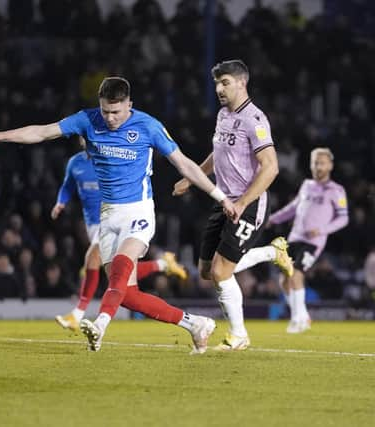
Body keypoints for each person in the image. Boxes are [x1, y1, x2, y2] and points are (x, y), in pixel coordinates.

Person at [0, 76, 239, 354]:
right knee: (128, 295)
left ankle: (100, 323)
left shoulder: (148, 126)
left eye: (117, 112)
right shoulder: (87, 120)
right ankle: (196, 324)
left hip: (138, 211)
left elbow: (184, 163)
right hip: (108, 216)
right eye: (106, 111)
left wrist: (220, 196)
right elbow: (43, 132)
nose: (111, 118)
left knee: (122, 266)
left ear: (130, 104)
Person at [173, 59, 292, 351]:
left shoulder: (255, 120)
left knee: (221, 272)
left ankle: (239, 335)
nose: (219, 89)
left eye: (225, 82)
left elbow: (271, 167)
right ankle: (271, 252)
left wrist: (242, 202)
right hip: (223, 202)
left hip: (247, 204)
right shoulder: (223, 115)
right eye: (217, 83)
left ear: (242, 83)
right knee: (205, 272)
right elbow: (218, 153)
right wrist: (194, 177)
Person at [52, 136, 188, 331]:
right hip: (93, 224)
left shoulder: (109, 159)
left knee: (92, 258)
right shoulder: (75, 163)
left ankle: (78, 313)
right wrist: (60, 202)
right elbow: (67, 186)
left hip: (114, 219)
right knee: (119, 275)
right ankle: (162, 264)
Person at [268, 147, 348, 333]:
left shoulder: (336, 190)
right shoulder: (306, 185)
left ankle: (297, 320)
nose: (317, 166)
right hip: (294, 237)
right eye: (315, 163)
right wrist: (272, 219)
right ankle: (303, 315)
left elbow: (343, 218)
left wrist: (321, 230)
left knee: (296, 274)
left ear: (330, 166)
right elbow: (293, 208)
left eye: (321, 163)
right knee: (283, 280)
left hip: (313, 242)